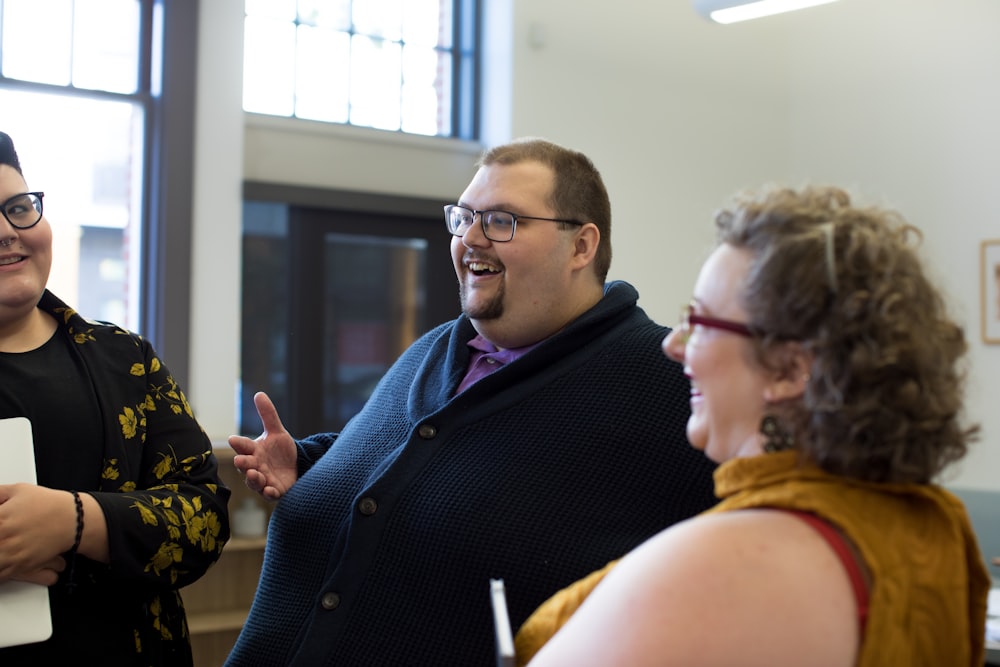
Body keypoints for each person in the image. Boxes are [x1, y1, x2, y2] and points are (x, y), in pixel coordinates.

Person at [225, 138, 720, 665]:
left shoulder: (666, 378)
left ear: (582, 246)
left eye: (503, 221)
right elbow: (415, 465)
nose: (472, 239)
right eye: (463, 218)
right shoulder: (437, 349)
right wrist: (312, 465)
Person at [515, 185, 992, 667]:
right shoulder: (929, 525)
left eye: (700, 321)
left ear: (788, 369)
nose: (674, 344)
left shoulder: (726, 564)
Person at [0, 131, 230, 665]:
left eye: (17, 208)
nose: (8, 232)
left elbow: (204, 516)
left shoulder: (126, 359)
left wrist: (75, 520)